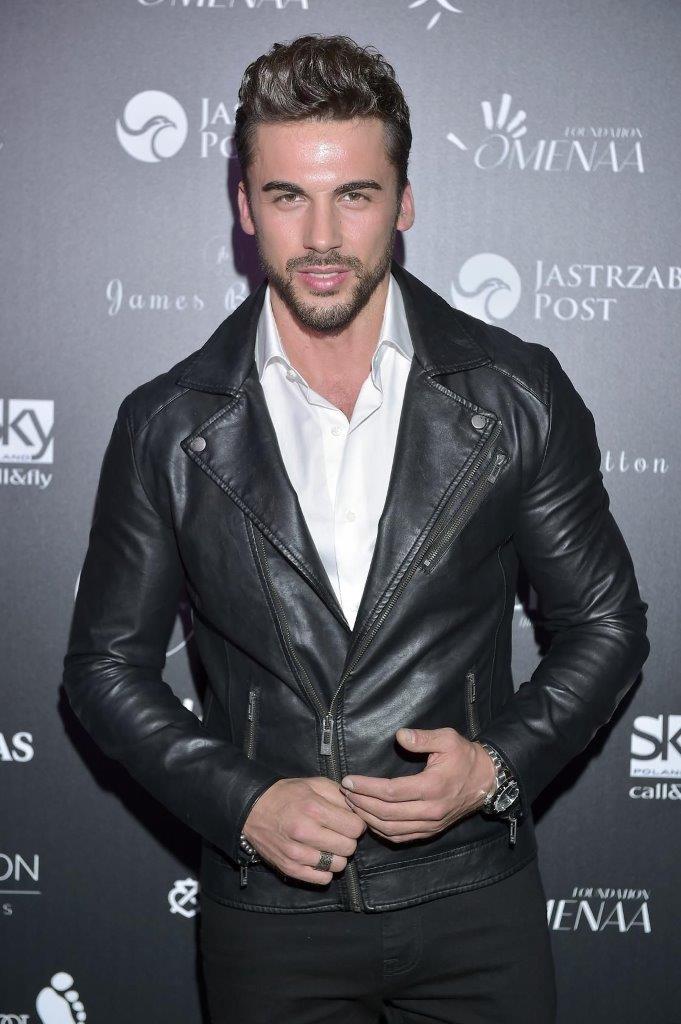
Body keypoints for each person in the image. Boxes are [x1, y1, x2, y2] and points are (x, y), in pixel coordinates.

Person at [63, 33, 650, 1024]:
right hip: (270, 917)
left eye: (356, 194)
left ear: (404, 202)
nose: (323, 235)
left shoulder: (515, 393)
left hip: (474, 900)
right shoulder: (165, 424)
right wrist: (243, 801)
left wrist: (495, 768)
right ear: (245, 208)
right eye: (288, 196)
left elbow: (605, 625)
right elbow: (105, 667)